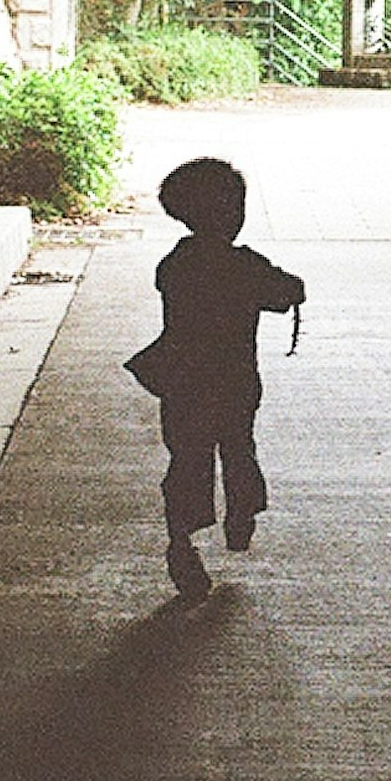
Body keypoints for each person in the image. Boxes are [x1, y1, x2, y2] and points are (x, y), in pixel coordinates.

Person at [126, 155, 305, 600]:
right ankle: (241, 514)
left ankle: (181, 542)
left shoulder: (176, 264)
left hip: (184, 384)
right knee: (239, 452)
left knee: (187, 460)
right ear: (231, 214)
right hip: (234, 383)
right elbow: (287, 292)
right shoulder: (245, 265)